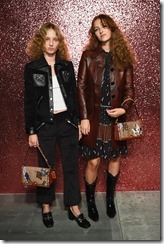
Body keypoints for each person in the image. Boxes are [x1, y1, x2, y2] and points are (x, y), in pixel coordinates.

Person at [24, 22, 90, 229]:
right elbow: (29, 101)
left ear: (59, 42)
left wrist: (78, 122)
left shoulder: (66, 65)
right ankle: (46, 207)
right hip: (44, 126)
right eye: (47, 39)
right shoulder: (32, 67)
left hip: (67, 124)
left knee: (71, 167)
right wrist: (32, 131)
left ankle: (74, 207)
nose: (51, 43)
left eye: (55, 39)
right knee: (45, 168)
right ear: (41, 42)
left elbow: (72, 96)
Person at [77, 14, 136, 221]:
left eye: (103, 27)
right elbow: (81, 88)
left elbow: (129, 91)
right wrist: (83, 117)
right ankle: (91, 202)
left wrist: (124, 108)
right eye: (96, 29)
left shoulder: (124, 58)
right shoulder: (88, 56)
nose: (100, 31)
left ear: (111, 28)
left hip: (115, 118)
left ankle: (110, 199)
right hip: (93, 118)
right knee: (93, 162)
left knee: (113, 157)